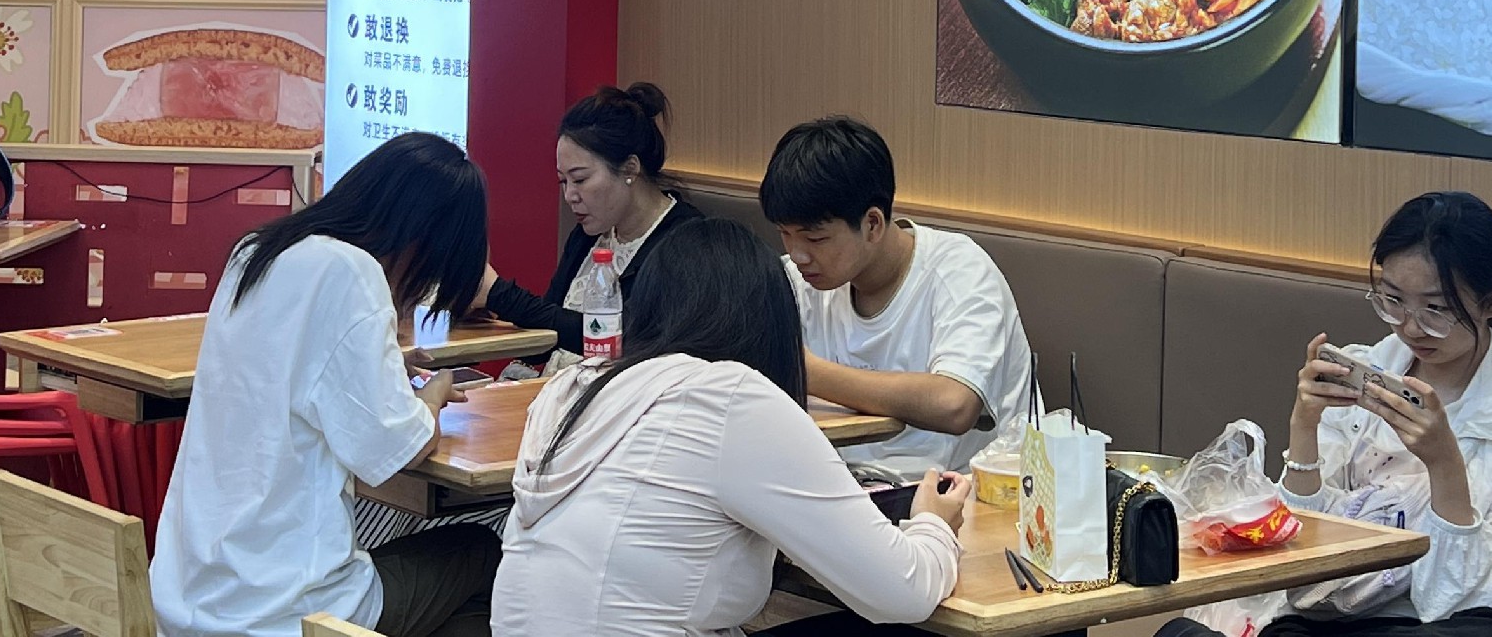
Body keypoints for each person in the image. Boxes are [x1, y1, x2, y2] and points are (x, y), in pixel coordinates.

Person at [491, 218, 968, 637]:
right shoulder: (729, 395)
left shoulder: (572, 387)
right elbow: (902, 593)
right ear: (769, 323)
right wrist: (933, 523)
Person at [1161, 192, 1492, 637]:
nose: (1411, 327)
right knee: (1180, 631)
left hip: (1449, 624)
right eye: (1393, 300)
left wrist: (1444, 464)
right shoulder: (1365, 376)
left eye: (1437, 309)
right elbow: (1297, 565)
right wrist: (1304, 427)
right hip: (1344, 616)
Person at [151, 134, 500, 637]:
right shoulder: (352, 270)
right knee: (481, 551)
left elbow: (284, 366)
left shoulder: (258, 250)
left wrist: (379, 365)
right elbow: (396, 447)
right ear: (424, 241)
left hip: (192, 590)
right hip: (283, 611)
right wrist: (433, 395)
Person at [761, 115, 1036, 481]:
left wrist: (803, 369)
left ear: (872, 224)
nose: (798, 255)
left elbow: (954, 404)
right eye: (785, 234)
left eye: (815, 239)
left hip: (959, 492)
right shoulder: (796, 281)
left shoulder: (958, 271)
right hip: (841, 488)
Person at [476, 82, 702, 369]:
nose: (570, 195)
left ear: (630, 168)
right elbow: (549, 334)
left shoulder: (686, 244)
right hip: (558, 385)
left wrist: (500, 294)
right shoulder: (590, 233)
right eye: (563, 181)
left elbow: (628, 342)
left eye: (580, 179)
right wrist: (490, 312)